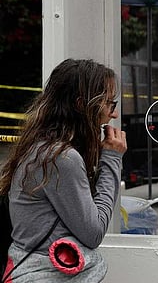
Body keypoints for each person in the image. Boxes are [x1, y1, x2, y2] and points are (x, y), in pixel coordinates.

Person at [0, 58, 127, 282]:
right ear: (81, 105)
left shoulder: (44, 149)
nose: (113, 115)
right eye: (110, 104)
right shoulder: (60, 158)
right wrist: (112, 159)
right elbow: (93, 232)